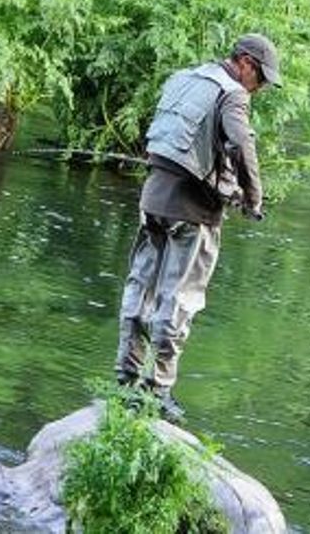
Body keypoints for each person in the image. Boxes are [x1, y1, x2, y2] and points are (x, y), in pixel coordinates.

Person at [115, 33, 281, 422]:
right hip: (193, 212)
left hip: (153, 200)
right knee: (179, 300)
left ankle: (125, 382)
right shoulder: (233, 94)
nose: (259, 89)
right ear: (245, 63)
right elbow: (242, 147)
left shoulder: (185, 78)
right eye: (261, 79)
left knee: (140, 289)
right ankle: (158, 391)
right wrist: (253, 197)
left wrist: (230, 188)